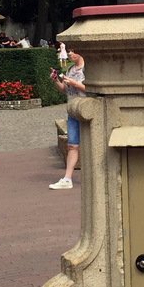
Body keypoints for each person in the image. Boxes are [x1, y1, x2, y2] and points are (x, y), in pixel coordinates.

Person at [49, 48, 86, 190]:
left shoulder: (87, 68)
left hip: (85, 109)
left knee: (92, 144)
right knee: (72, 145)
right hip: (72, 110)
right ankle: (67, 178)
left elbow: (92, 89)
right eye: (69, 51)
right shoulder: (71, 69)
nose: (70, 54)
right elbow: (64, 89)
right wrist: (56, 80)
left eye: (73, 51)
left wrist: (74, 83)